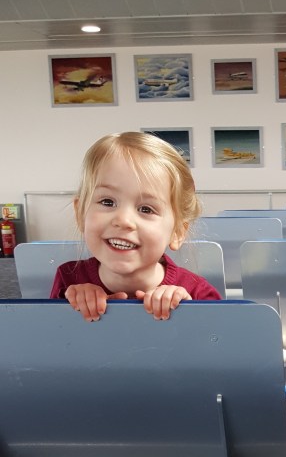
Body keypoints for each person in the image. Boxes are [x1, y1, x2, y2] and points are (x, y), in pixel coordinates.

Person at [50, 131, 221, 321]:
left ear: (178, 232)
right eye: (107, 202)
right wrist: (71, 308)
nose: (123, 220)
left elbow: (220, 337)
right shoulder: (68, 280)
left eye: (146, 209)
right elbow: (50, 335)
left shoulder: (198, 292)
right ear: (81, 214)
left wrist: (190, 314)